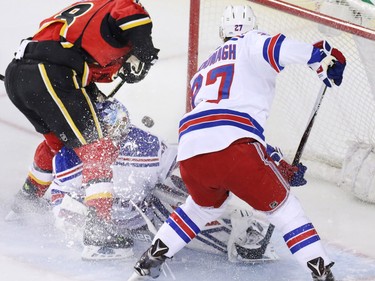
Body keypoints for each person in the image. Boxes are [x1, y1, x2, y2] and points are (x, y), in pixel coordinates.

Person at [128, 4, 346, 281]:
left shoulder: (203, 71)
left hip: (191, 150)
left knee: (199, 208)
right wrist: (319, 58)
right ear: (252, 27)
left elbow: (217, 129)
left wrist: (276, 164)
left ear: (222, 32)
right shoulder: (252, 42)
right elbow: (278, 47)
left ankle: (150, 260)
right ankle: (322, 272)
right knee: (285, 210)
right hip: (235, 145)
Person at [4, 0, 159, 257]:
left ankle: (25, 203)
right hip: (51, 73)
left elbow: (81, 58)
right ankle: (99, 232)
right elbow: (132, 17)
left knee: (57, 144)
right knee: (97, 146)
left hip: (20, 74)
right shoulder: (124, 5)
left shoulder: (87, 13)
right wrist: (145, 50)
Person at [49, 98, 287, 262]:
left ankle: (230, 233)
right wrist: (79, 227)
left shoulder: (145, 145)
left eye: (123, 127)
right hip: (106, 225)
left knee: (182, 199)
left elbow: (182, 168)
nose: (120, 135)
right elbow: (60, 200)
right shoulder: (70, 156)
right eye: (111, 130)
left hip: (145, 216)